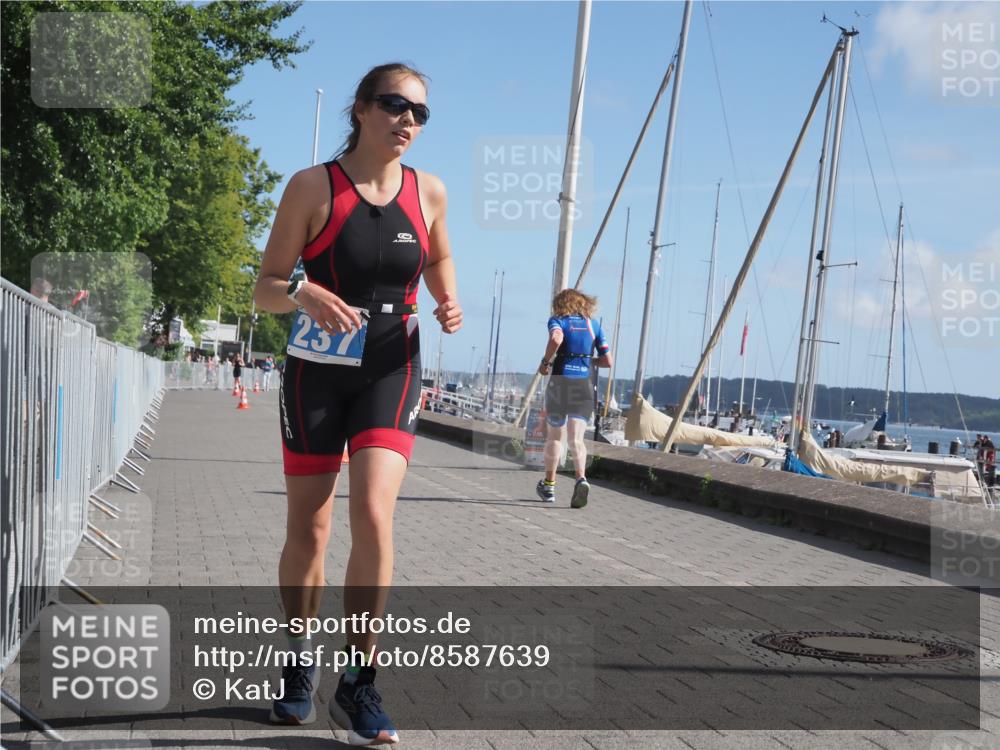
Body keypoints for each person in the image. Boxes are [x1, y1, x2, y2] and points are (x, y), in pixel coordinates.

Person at [253, 62, 461, 744]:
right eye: (396, 105)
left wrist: (445, 297)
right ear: (362, 108)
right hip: (316, 367)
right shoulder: (313, 186)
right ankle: (295, 663)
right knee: (309, 528)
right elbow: (266, 287)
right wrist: (302, 292)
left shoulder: (429, 191)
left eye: (420, 113)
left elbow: (435, 259)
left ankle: (360, 682)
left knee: (373, 513)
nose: (409, 121)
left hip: (390, 364)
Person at [536, 289, 612, 508]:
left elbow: (556, 338)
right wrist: (589, 361)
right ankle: (581, 478)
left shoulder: (558, 320)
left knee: (555, 438)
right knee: (576, 439)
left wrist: (545, 362)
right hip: (584, 385)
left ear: (560, 304)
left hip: (560, 383)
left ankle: (549, 486)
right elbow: (608, 360)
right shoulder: (593, 325)